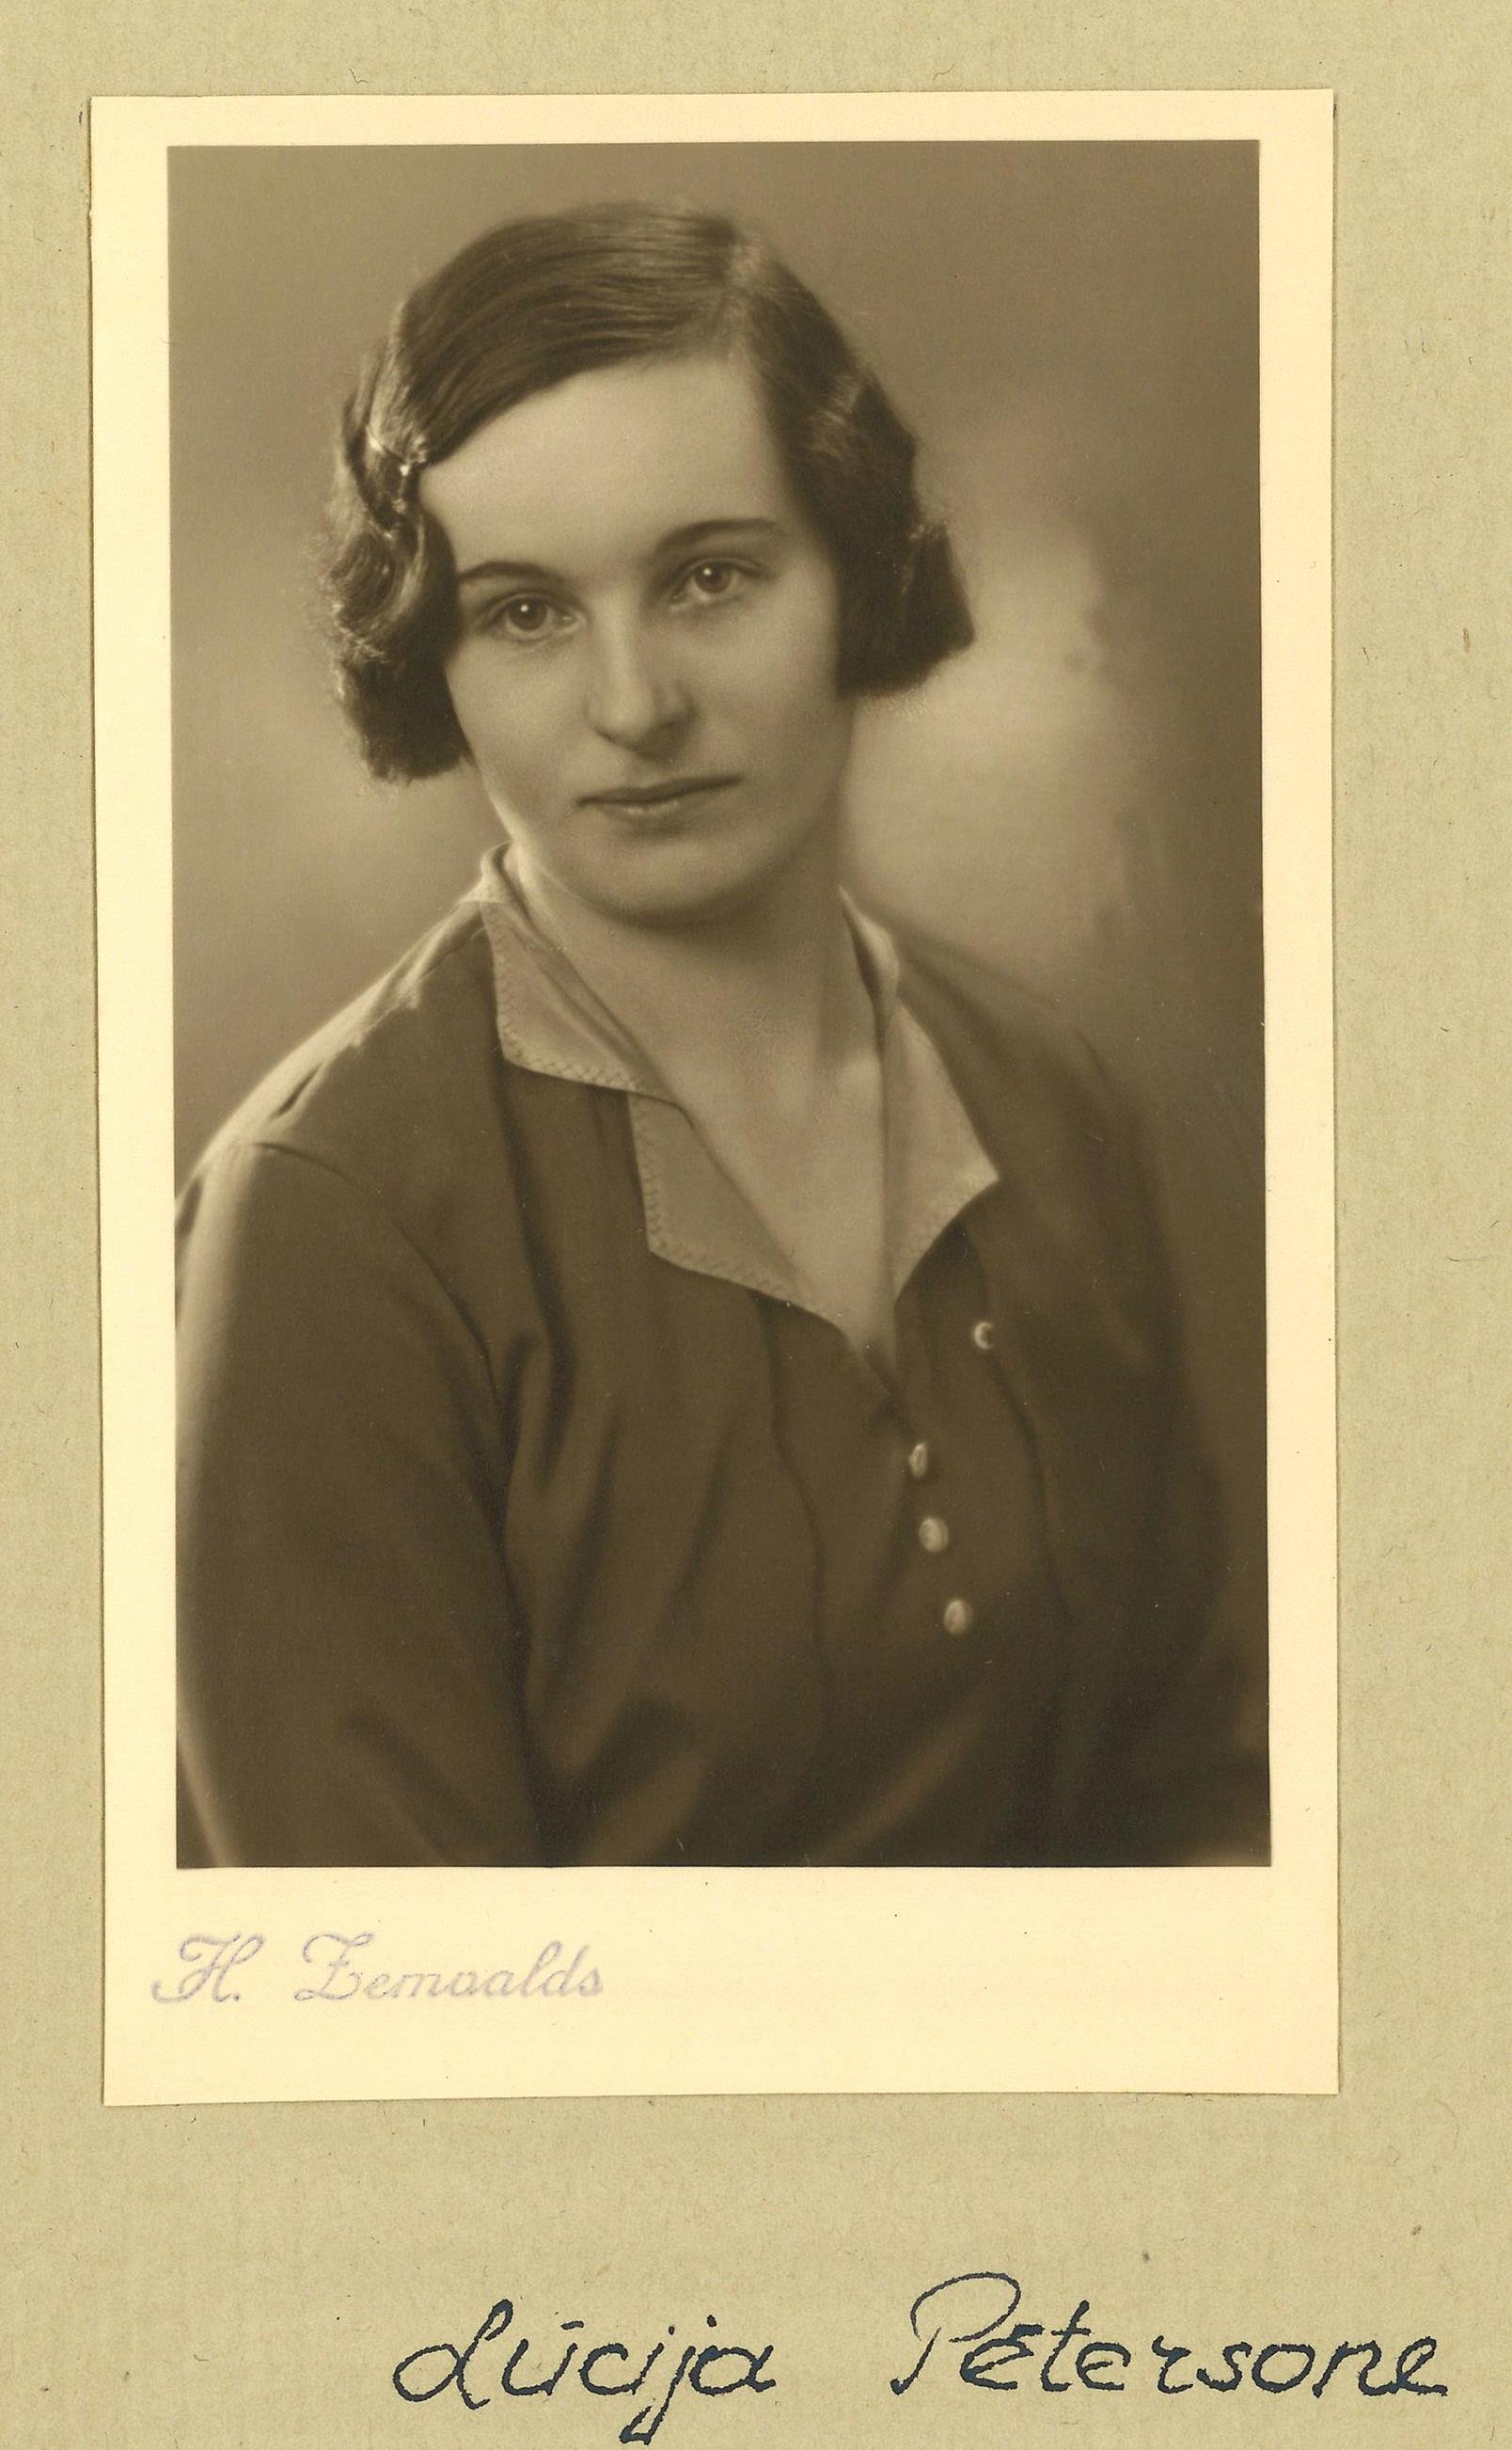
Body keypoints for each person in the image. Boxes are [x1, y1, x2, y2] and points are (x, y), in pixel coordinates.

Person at [176, 199, 1265, 1869]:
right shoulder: (326, 1219)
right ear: (434, 657)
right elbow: (388, 2000)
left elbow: (1203, 1801)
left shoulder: (1047, 1102)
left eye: (708, 578)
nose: (635, 704)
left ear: (856, 575)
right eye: (527, 612)